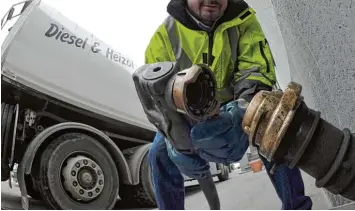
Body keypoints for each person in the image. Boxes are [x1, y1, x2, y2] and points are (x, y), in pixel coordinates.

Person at [145, 0, 312, 209]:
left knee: (271, 124)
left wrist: (242, 112)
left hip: (239, 103)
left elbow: (255, 70)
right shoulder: (165, 37)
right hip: (188, 116)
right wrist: (175, 143)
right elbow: (159, 100)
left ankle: (297, 207)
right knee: (159, 153)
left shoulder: (244, 20)